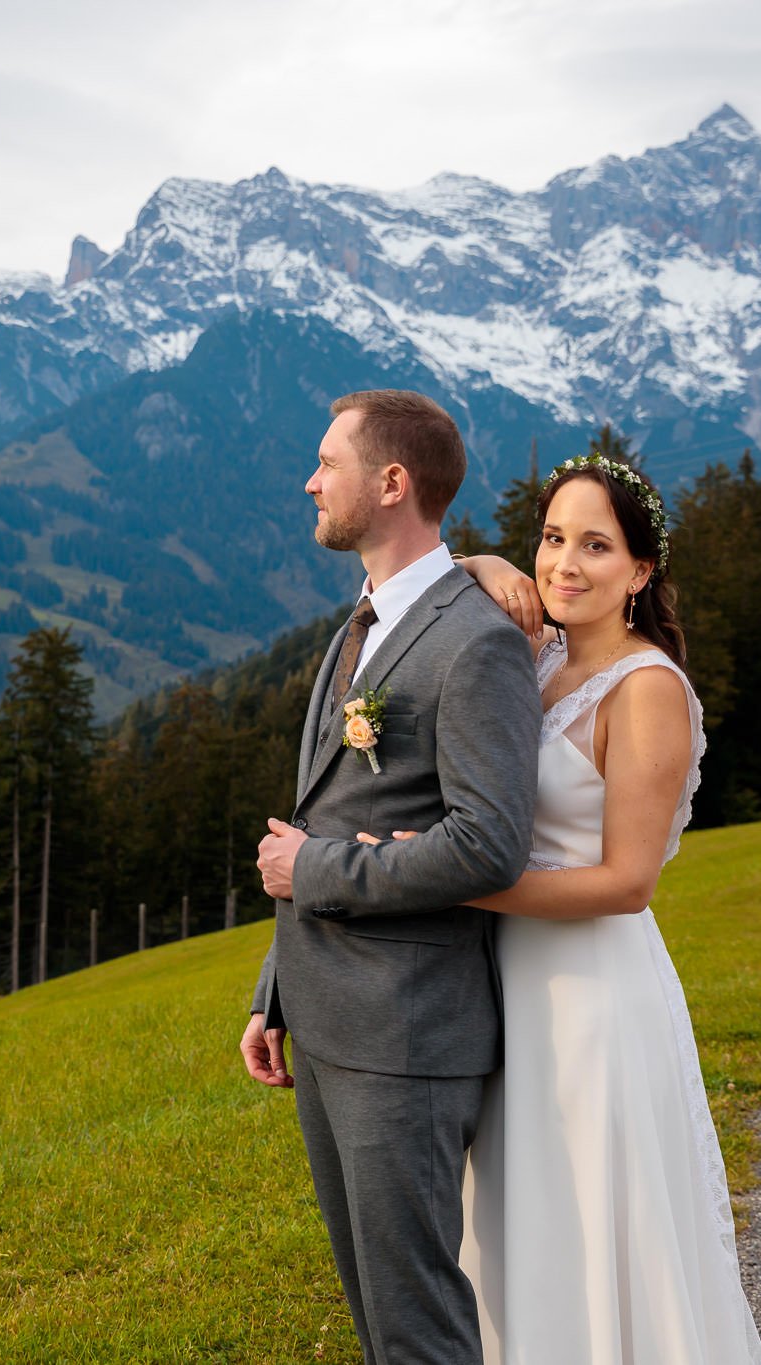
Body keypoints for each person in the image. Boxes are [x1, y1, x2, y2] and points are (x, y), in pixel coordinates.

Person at [364, 454, 761, 1364]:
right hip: (507, 990)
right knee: (516, 1220)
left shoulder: (648, 688)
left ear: (642, 570)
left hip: (593, 998)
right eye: (551, 539)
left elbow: (629, 882)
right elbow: (447, 574)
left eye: (596, 545)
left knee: (592, 1225)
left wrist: (448, 874)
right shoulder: (533, 651)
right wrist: (487, 567)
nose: (566, 565)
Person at [242, 389, 540, 1365]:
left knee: (416, 1326)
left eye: (326, 463)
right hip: (329, 1024)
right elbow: (330, 812)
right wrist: (273, 993)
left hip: (406, 1039)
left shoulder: (475, 641)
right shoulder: (357, 623)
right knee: (374, 1316)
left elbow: (486, 845)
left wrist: (309, 872)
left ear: (391, 483)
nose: (309, 480)